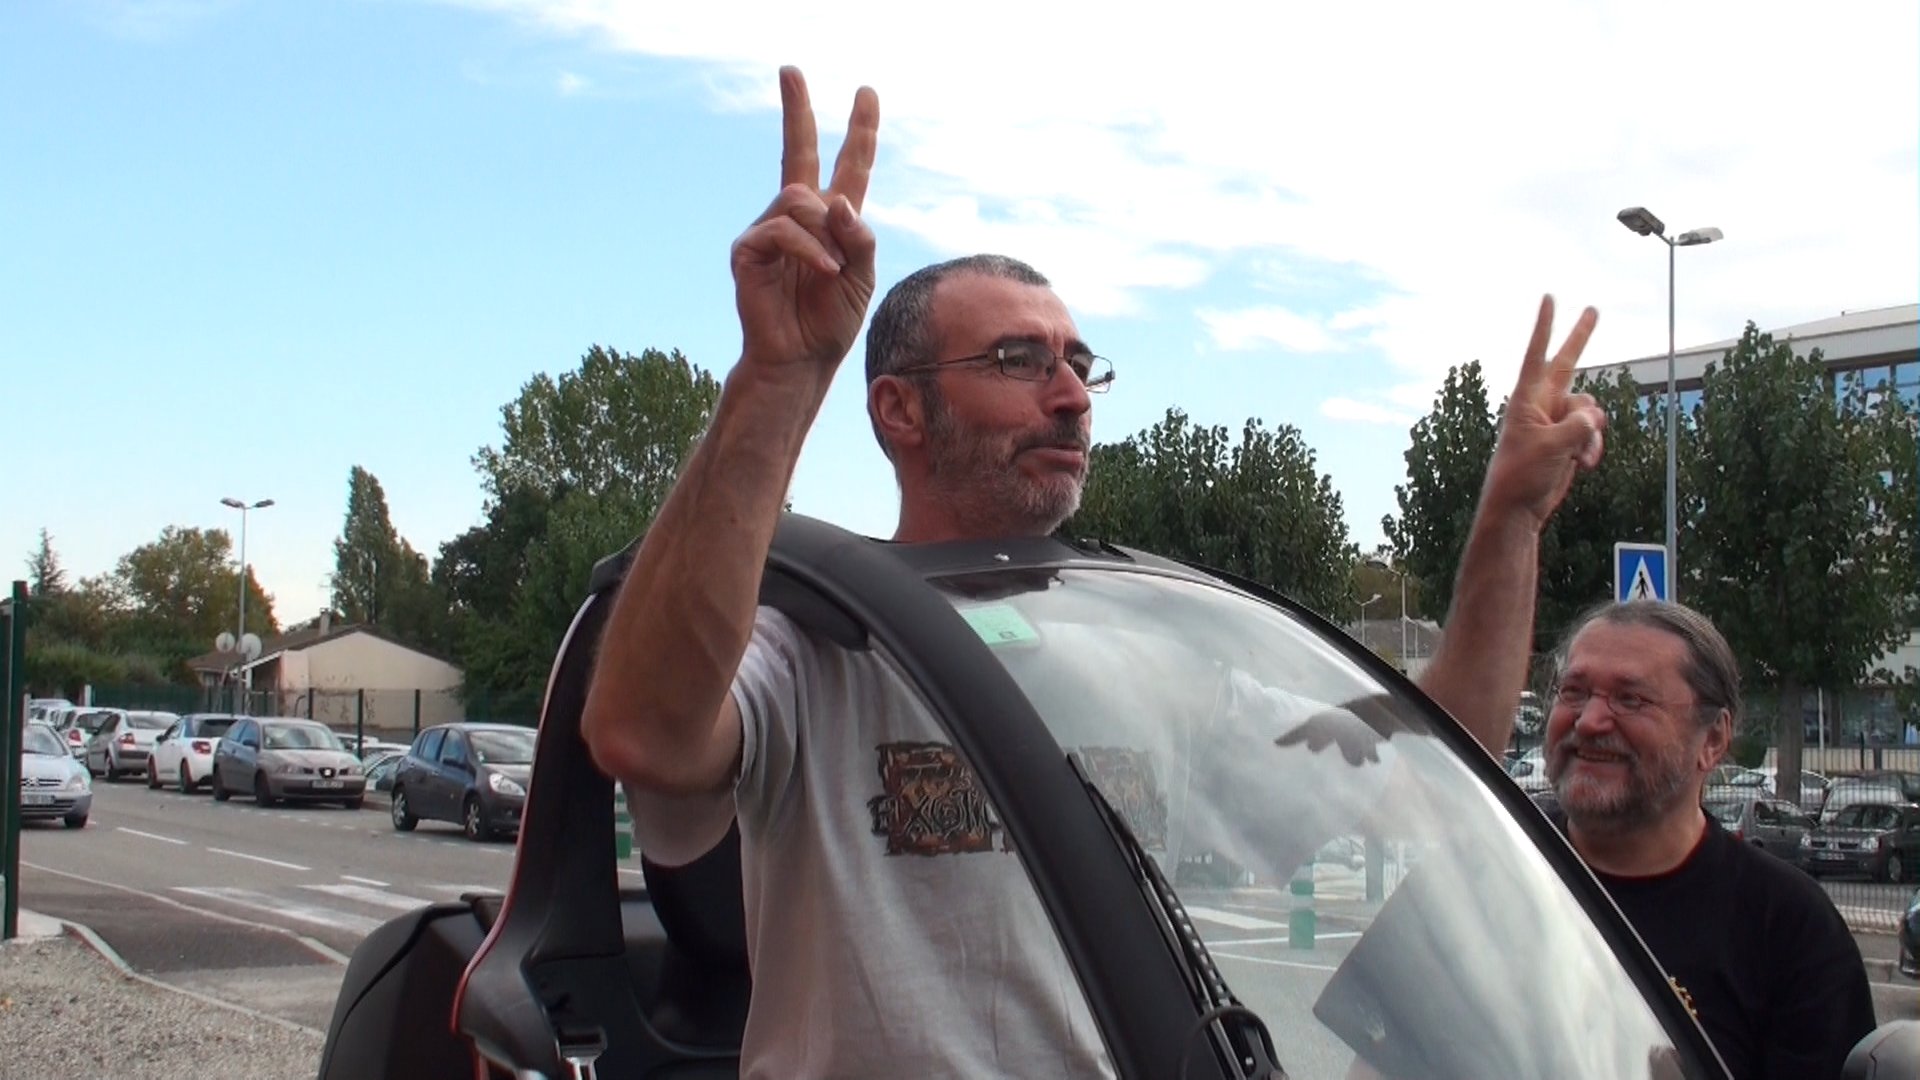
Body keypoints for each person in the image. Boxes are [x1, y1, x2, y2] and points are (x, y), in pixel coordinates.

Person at [580, 64, 1606, 1079]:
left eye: (1078, 363)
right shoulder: (814, 641)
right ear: (899, 410)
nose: (1071, 396)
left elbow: (1440, 770)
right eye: (1019, 361)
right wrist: (779, 374)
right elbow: (641, 729)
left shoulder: (1150, 660)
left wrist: (1511, 520)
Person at [1537, 599, 1876, 1079]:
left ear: (1713, 740)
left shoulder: (1790, 929)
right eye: (1574, 692)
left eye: (1630, 699)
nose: (1589, 721)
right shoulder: (1489, 864)